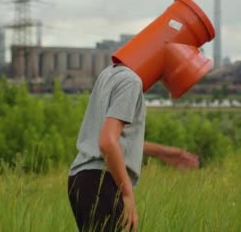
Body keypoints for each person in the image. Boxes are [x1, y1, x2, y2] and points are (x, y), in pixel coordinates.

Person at [67, 63, 200, 231]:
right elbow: (107, 142)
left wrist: (163, 152)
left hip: (82, 180)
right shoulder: (131, 81)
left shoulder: (109, 74)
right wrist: (127, 193)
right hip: (102, 180)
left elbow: (114, 140)